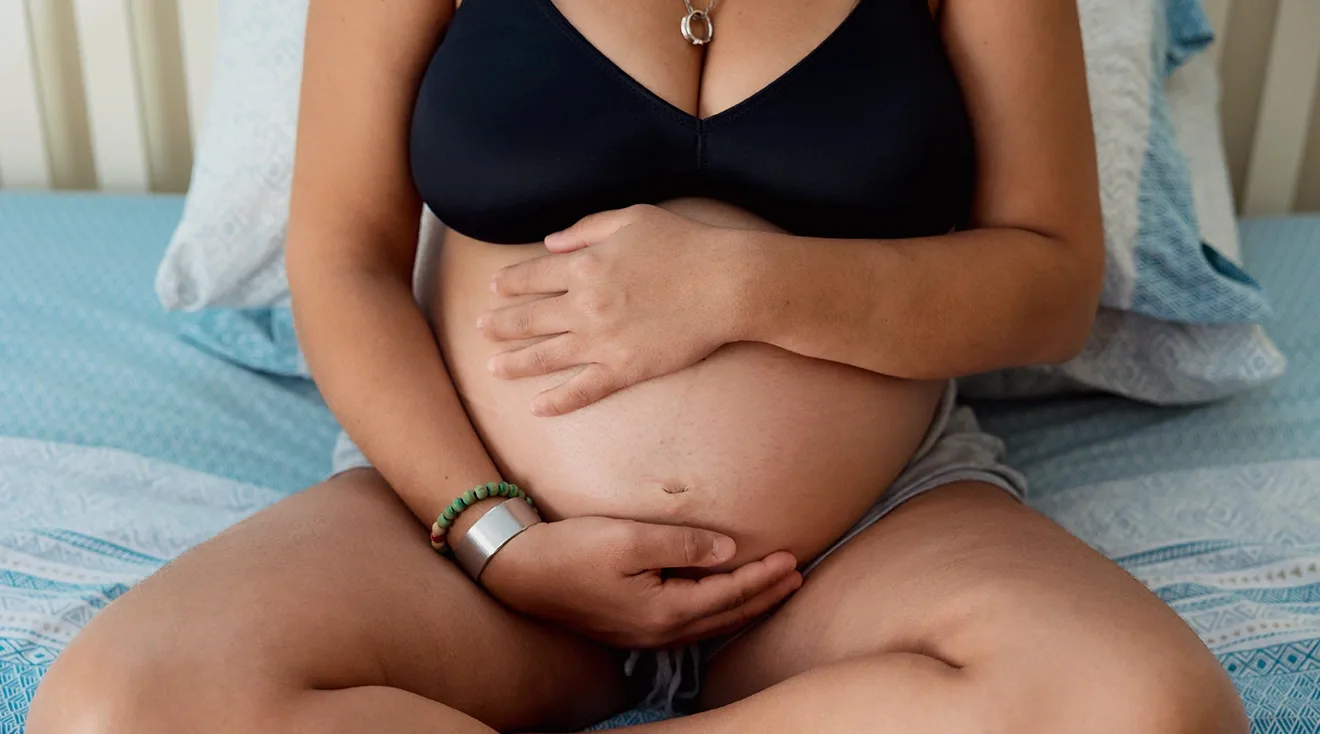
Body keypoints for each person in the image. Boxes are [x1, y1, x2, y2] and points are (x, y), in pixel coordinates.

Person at [29, 0, 1248, 731]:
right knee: (119, 707)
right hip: (473, 549)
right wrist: (496, 536)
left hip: (860, 548)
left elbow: (1045, 282)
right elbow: (340, 259)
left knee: (1149, 707)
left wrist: (739, 289)